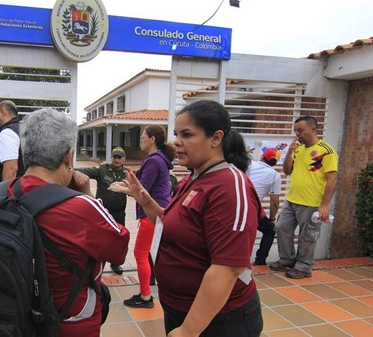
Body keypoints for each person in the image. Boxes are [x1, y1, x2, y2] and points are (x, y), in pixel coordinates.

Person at [111, 100, 263, 336]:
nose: (177, 143)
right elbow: (168, 223)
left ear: (216, 138)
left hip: (218, 320)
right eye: (176, 134)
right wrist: (144, 199)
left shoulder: (230, 187)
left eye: (187, 134)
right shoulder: (192, 179)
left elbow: (228, 267)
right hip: (180, 308)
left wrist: (189, 331)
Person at [15, 108, 129, 336]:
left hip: (17, 316)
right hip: (71, 320)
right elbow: (119, 248)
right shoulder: (81, 208)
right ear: (68, 157)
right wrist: (87, 194)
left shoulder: (3, 194)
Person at [269, 115, 338, 279]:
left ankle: (304, 266)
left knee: (307, 236)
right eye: (295, 131)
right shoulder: (298, 149)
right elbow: (287, 171)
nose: (297, 134)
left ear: (313, 129)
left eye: (301, 130)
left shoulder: (325, 151)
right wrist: (289, 154)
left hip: (312, 203)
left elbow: (332, 178)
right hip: (292, 200)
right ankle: (287, 259)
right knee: (282, 228)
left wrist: (324, 205)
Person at [123, 125, 176, 309]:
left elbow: (142, 191)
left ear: (152, 139)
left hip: (152, 214)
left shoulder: (154, 161)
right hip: (157, 212)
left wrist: (121, 188)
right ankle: (149, 292)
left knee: (140, 253)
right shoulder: (158, 159)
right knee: (154, 254)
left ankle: (146, 297)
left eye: (143, 137)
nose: (141, 140)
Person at [76, 146, 128, 275]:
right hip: (103, 212)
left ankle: (115, 264)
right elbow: (86, 172)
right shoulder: (103, 170)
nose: (116, 160)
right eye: (114, 157)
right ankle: (95, 263)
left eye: (119, 157)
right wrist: (69, 170)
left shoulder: (126, 173)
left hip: (119, 213)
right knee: (99, 238)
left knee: (117, 239)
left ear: (124, 159)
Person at [247, 148, 282, 266]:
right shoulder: (275, 175)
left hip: (235, 204)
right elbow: (275, 202)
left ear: (262, 157)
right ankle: (260, 261)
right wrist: (272, 219)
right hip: (252, 208)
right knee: (270, 231)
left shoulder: (249, 164)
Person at [0, 100, 25, 195]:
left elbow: (11, 169)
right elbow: (1, 158)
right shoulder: (21, 128)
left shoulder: (7, 133)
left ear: (2, 112)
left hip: (7, 196)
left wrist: (5, 199)